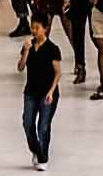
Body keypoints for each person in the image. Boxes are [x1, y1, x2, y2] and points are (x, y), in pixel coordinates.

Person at [19, 13, 62, 173]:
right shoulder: (28, 46)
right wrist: (26, 51)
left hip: (47, 93)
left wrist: (51, 92)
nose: (34, 31)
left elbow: (57, 73)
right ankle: (36, 149)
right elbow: (20, 67)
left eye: (37, 28)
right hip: (31, 91)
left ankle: (43, 158)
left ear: (45, 28)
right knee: (27, 123)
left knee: (43, 126)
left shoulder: (52, 49)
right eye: (32, 27)